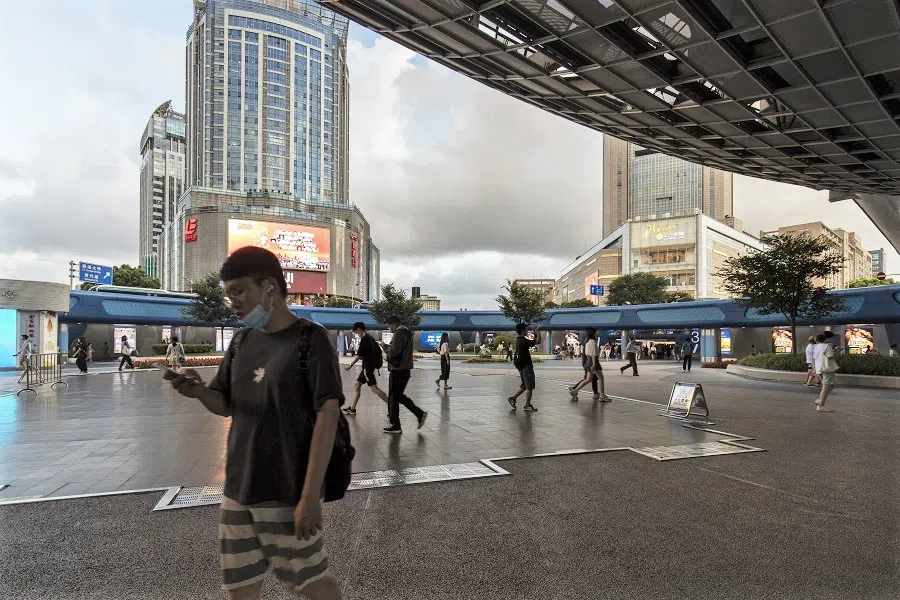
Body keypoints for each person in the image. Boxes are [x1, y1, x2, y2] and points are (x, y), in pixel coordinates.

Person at [163, 246, 346, 600]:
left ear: (269, 288)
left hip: (285, 489)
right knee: (239, 588)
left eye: (239, 290)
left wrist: (309, 497)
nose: (232, 301)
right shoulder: (242, 340)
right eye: (228, 292)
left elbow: (328, 415)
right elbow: (225, 404)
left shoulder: (311, 339)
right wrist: (199, 392)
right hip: (238, 489)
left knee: (311, 581)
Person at [384, 316, 428, 434]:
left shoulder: (399, 333)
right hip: (404, 370)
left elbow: (394, 352)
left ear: (393, 324)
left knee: (394, 397)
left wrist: (385, 348)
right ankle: (416, 415)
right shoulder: (407, 333)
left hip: (398, 370)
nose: (388, 328)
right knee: (397, 396)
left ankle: (398, 424)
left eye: (389, 325)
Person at [343, 322, 388, 415]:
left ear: (359, 329)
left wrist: (350, 365)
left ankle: (392, 406)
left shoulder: (365, 339)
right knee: (357, 385)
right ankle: (352, 409)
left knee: (374, 389)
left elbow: (359, 355)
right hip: (368, 367)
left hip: (367, 368)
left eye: (356, 332)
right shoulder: (370, 337)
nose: (356, 334)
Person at [507, 324, 541, 412]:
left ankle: (513, 398)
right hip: (526, 366)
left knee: (525, 385)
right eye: (526, 330)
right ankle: (527, 405)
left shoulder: (519, 340)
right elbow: (538, 341)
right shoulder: (523, 341)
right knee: (529, 386)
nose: (527, 331)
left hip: (521, 366)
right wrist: (538, 332)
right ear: (522, 331)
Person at [570, 328, 610, 401]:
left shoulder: (587, 341)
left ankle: (575, 391)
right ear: (593, 333)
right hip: (593, 362)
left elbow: (587, 353)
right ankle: (602, 396)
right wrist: (594, 364)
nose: (596, 333)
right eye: (595, 332)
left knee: (588, 379)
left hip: (588, 362)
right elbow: (593, 354)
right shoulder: (593, 342)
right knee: (601, 379)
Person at [814, 331, 838, 413]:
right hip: (826, 369)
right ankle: (821, 405)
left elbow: (814, 358)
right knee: (827, 386)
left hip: (819, 368)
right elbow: (830, 357)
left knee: (831, 385)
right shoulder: (827, 346)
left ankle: (820, 400)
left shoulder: (816, 346)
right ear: (828, 338)